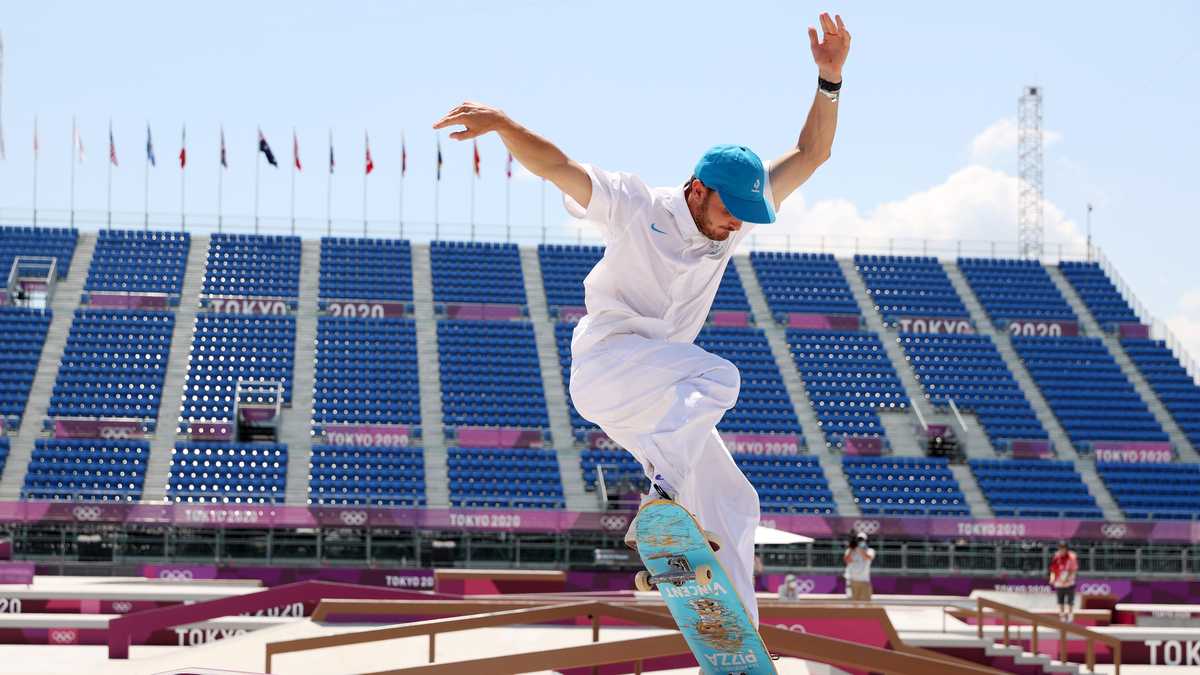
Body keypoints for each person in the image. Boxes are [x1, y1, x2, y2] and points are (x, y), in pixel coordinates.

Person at [434, 13, 851, 628]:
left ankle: (735, 639)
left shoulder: (728, 226)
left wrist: (829, 81)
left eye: (743, 216)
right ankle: (662, 498)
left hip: (655, 396)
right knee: (719, 378)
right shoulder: (635, 204)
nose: (734, 225)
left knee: (735, 500)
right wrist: (503, 124)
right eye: (728, 211)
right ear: (696, 190)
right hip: (607, 364)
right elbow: (560, 167)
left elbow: (812, 154)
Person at [1049, 541, 1079, 622]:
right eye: (1061, 549)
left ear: (1066, 549)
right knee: (1060, 601)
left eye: (1063, 549)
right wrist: (1052, 578)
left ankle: (1070, 616)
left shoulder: (1072, 557)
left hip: (1069, 582)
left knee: (1070, 601)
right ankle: (1062, 616)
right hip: (1059, 583)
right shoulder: (1056, 556)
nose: (1062, 551)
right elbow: (1053, 569)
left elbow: (1073, 570)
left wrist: (1066, 579)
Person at [843, 531, 875, 601]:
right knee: (852, 604)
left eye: (862, 540)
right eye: (859, 540)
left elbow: (867, 558)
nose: (860, 541)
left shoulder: (870, 550)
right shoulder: (850, 550)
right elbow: (846, 560)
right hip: (852, 580)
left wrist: (859, 549)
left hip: (864, 580)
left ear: (866, 541)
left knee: (866, 603)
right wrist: (852, 548)